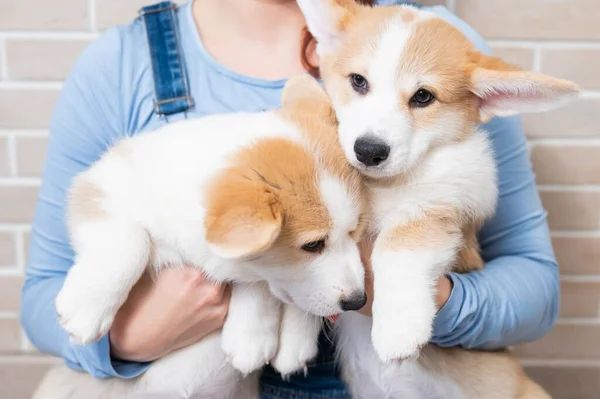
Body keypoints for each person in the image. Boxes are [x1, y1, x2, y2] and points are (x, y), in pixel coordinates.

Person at [21, 0, 559, 398]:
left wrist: (428, 298)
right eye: (359, 84)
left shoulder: (436, 41)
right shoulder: (122, 63)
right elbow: (45, 297)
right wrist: (128, 340)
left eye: (417, 97)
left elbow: (535, 285)